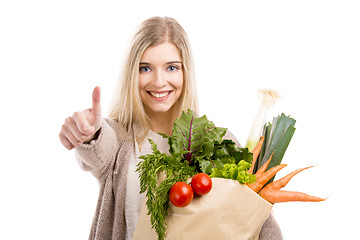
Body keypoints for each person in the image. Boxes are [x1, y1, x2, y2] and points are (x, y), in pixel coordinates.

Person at [59, 16, 283, 240]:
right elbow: (99, 146)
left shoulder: (220, 143)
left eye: (171, 68)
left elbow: (260, 223)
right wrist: (90, 134)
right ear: (131, 74)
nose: (158, 82)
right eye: (145, 68)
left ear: (185, 72)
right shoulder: (119, 141)